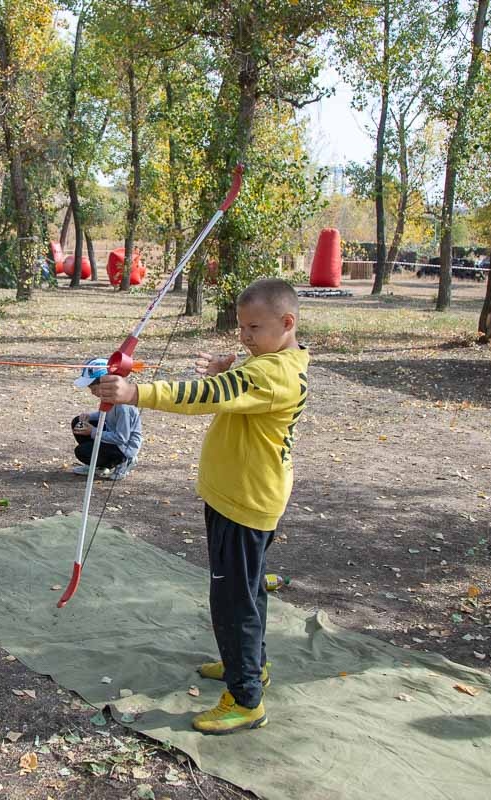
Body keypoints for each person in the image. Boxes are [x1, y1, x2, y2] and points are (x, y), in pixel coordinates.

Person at [95, 278, 309, 735]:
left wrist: (136, 395)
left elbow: (204, 398)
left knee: (233, 602)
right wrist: (231, 370)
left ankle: (246, 697)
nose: (245, 337)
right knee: (247, 591)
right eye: (242, 327)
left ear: (287, 323)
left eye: (254, 328)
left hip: (244, 502)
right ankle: (251, 666)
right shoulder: (276, 361)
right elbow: (236, 389)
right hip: (242, 495)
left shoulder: (269, 373)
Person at [70, 358, 141, 480]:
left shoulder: (123, 407)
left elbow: (122, 438)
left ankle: (124, 461)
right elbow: (104, 414)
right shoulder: (108, 396)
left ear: (106, 384)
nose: (92, 393)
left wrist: (93, 431)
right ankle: (98, 465)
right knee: (78, 422)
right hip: (112, 435)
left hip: (123, 447)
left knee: (82, 452)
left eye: (94, 388)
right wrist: (89, 416)